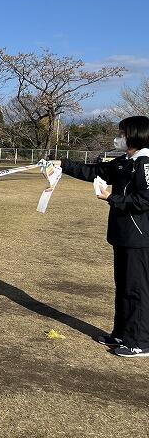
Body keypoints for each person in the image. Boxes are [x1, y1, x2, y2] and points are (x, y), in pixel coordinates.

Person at [59, 115, 149, 357]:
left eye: (122, 133)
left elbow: (144, 200)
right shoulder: (124, 161)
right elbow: (95, 171)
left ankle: (140, 341)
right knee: (123, 287)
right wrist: (62, 164)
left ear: (135, 134)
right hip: (121, 235)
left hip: (139, 238)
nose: (118, 137)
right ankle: (121, 333)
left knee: (137, 289)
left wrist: (111, 197)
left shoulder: (145, 163)